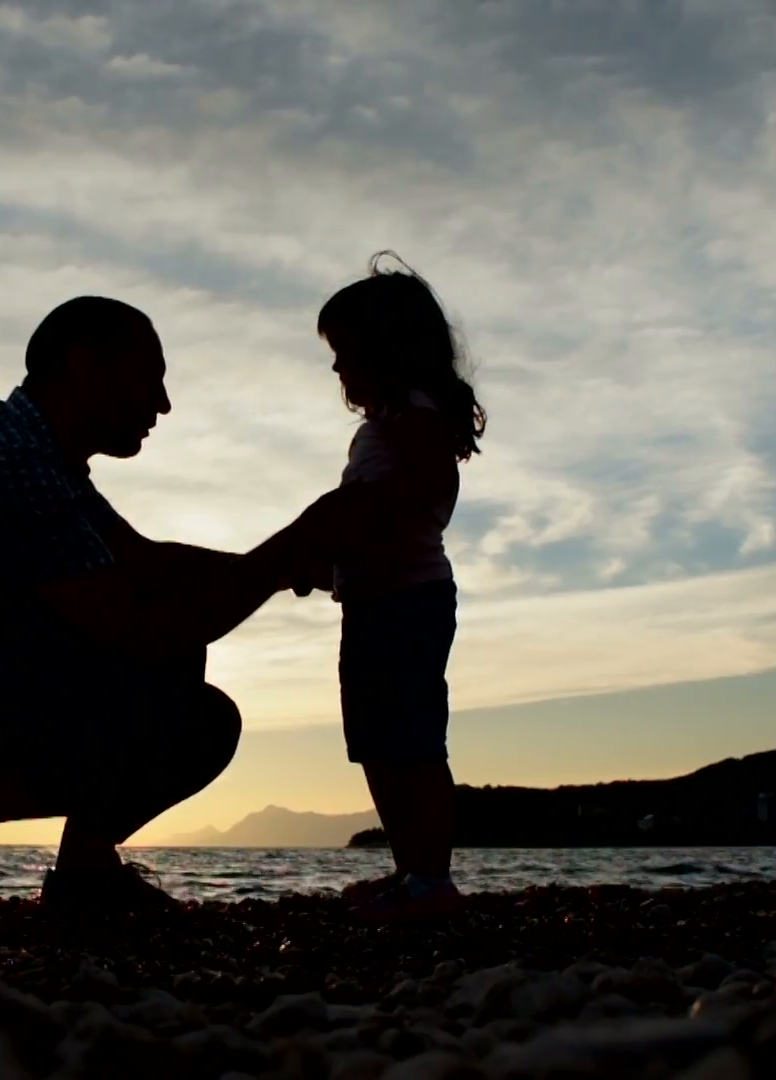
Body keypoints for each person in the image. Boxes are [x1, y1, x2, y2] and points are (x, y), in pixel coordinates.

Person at [0, 296, 336, 925]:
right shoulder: (10, 458)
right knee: (196, 717)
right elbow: (137, 631)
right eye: (150, 377)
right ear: (84, 365)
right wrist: (281, 559)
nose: (163, 404)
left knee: (176, 654)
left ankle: (81, 874)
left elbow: (141, 563)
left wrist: (297, 562)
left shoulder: (32, 452)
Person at [303, 254, 486, 922]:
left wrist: (348, 531)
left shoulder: (419, 416)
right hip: (370, 603)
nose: (336, 368)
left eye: (344, 351)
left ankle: (432, 881)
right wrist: (324, 563)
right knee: (376, 741)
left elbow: (404, 495)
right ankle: (409, 872)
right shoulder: (382, 429)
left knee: (412, 739)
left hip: (409, 601)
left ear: (388, 349)